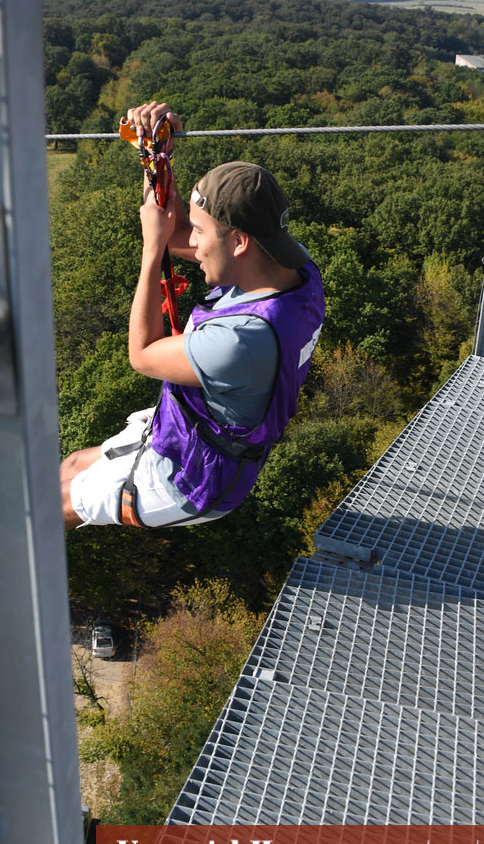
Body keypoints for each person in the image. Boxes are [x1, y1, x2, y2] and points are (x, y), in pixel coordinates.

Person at [60, 100, 325, 530]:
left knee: (60, 504)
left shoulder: (240, 341)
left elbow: (142, 354)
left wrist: (151, 251)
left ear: (239, 242)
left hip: (190, 478)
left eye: (201, 234)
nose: (192, 245)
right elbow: (175, 230)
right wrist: (157, 159)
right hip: (188, 432)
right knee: (71, 465)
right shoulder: (295, 271)